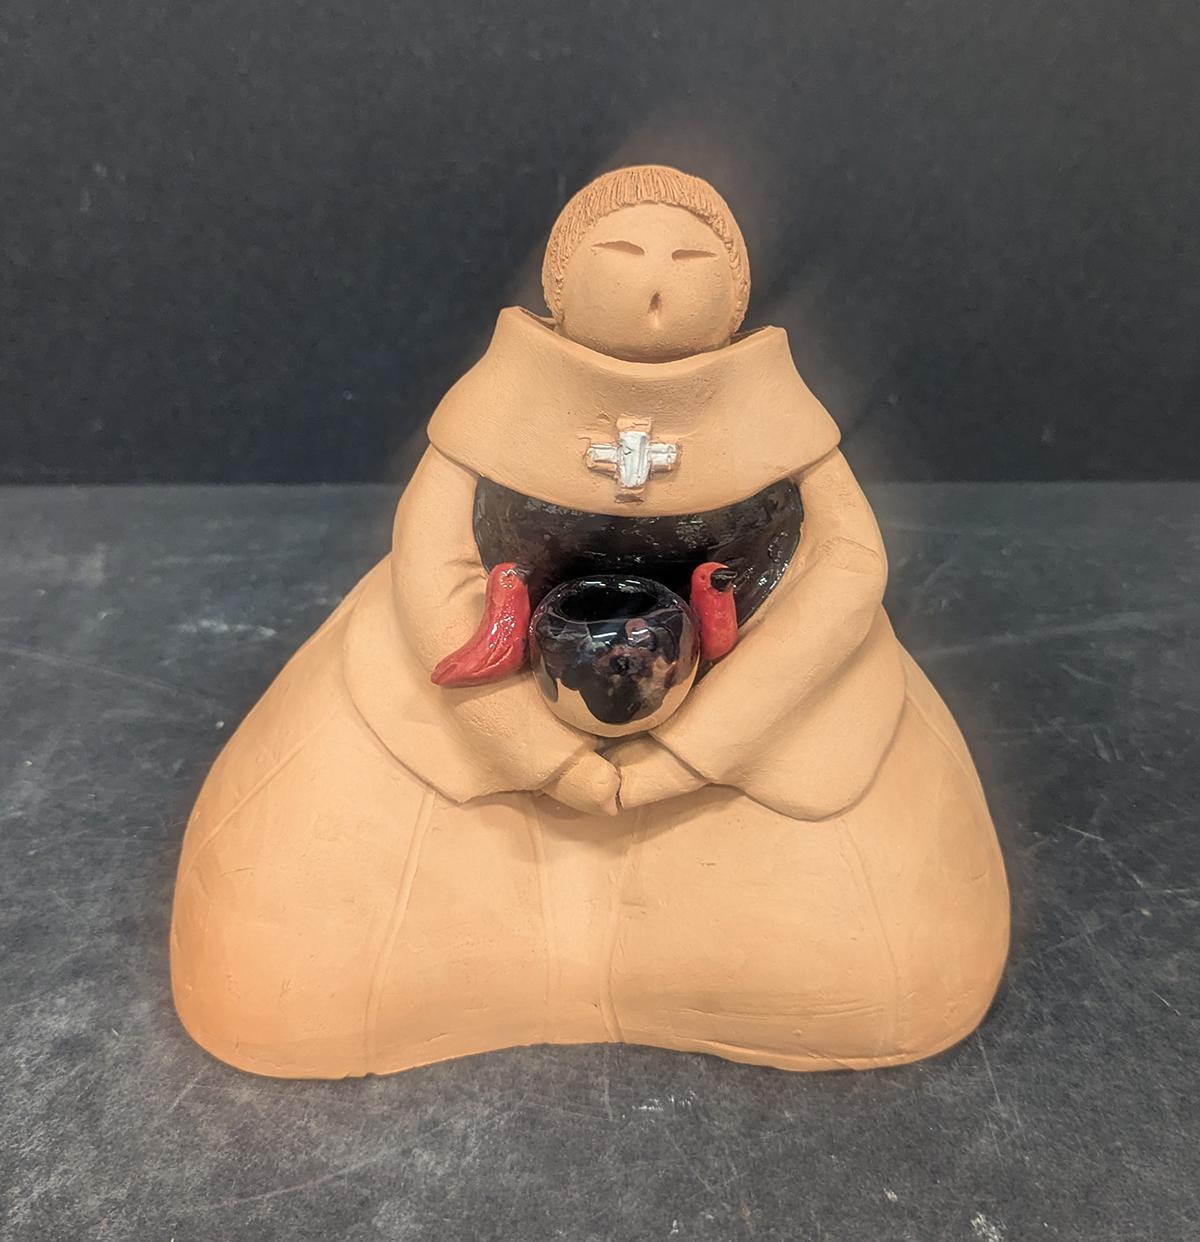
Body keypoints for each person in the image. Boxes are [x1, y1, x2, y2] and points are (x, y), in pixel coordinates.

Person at [171, 165, 1009, 1078]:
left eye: (689, 257)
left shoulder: (781, 415)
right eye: (623, 249)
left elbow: (847, 562)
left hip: (755, 700)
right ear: (561, 281)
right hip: (490, 707)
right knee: (290, 938)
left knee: (883, 945)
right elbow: (431, 561)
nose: (656, 278)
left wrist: (704, 744)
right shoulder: (495, 404)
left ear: (734, 295)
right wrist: (525, 742)